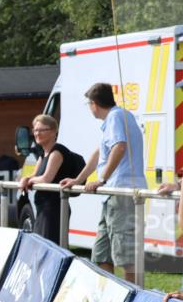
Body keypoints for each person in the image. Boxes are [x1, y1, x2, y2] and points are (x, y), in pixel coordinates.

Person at [59, 82, 146, 284]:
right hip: (111, 195)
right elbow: (100, 153)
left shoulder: (116, 116)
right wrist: (79, 179)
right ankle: (112, 295)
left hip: (121, 191)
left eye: (89, 104)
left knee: (126, 256)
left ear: (94, 103)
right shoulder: (113, 120)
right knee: (101, 254)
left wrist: (101, 179)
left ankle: (133, 296)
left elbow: (119, 147)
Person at [16, 114, 73, 244]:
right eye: (35, 130)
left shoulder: (57, 151)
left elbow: (46, 178)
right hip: (42, 209)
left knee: (50, 248)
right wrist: (26, 178)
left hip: (54, 210)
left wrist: (28, 181)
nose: (37, 133)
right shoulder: (43, 154)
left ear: (54, 132)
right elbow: (35, 176)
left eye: (42, 130)